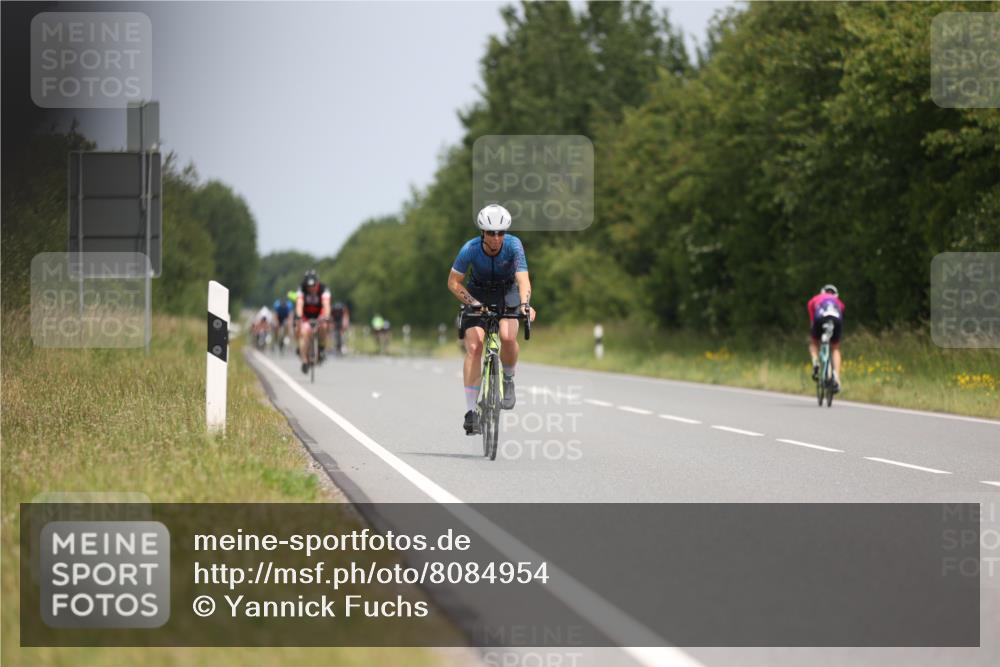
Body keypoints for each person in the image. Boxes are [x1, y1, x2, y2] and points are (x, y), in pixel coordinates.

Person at [447, 204, 536, 435]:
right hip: (477, 293)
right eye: (491, 233)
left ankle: (507, 379)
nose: (496, 238)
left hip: (507, 293)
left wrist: (525, 304)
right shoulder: (470, 248)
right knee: (475, 347)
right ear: (482, 233)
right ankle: (470, 412)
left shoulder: (514, 246)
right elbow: (453, 282)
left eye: (500, 233)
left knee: (507, 336)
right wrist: (473, 303)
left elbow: (523, 280)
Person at [807, 284, 845, 392]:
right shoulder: (839, 302)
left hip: (820, 317)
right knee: (835, 348)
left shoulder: (815, 298)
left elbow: (812, 319)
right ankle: (836, 377)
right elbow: (841, 317)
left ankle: (815, 362)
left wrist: (814, 334)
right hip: (836, 319)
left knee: (813, 342)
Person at [296, 270, 331, 374]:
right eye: (308, 286)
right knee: (304, 332)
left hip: (319, 314)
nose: (311, 288)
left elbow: (326, 304)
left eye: (313, 286)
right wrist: (299, 316)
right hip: (306, 315)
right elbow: (299, 303)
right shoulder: (301, 289)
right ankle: (304, 361)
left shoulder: (324, 289)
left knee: (324, 326)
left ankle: (321, 347)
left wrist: (326, 316)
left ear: (317, 283)